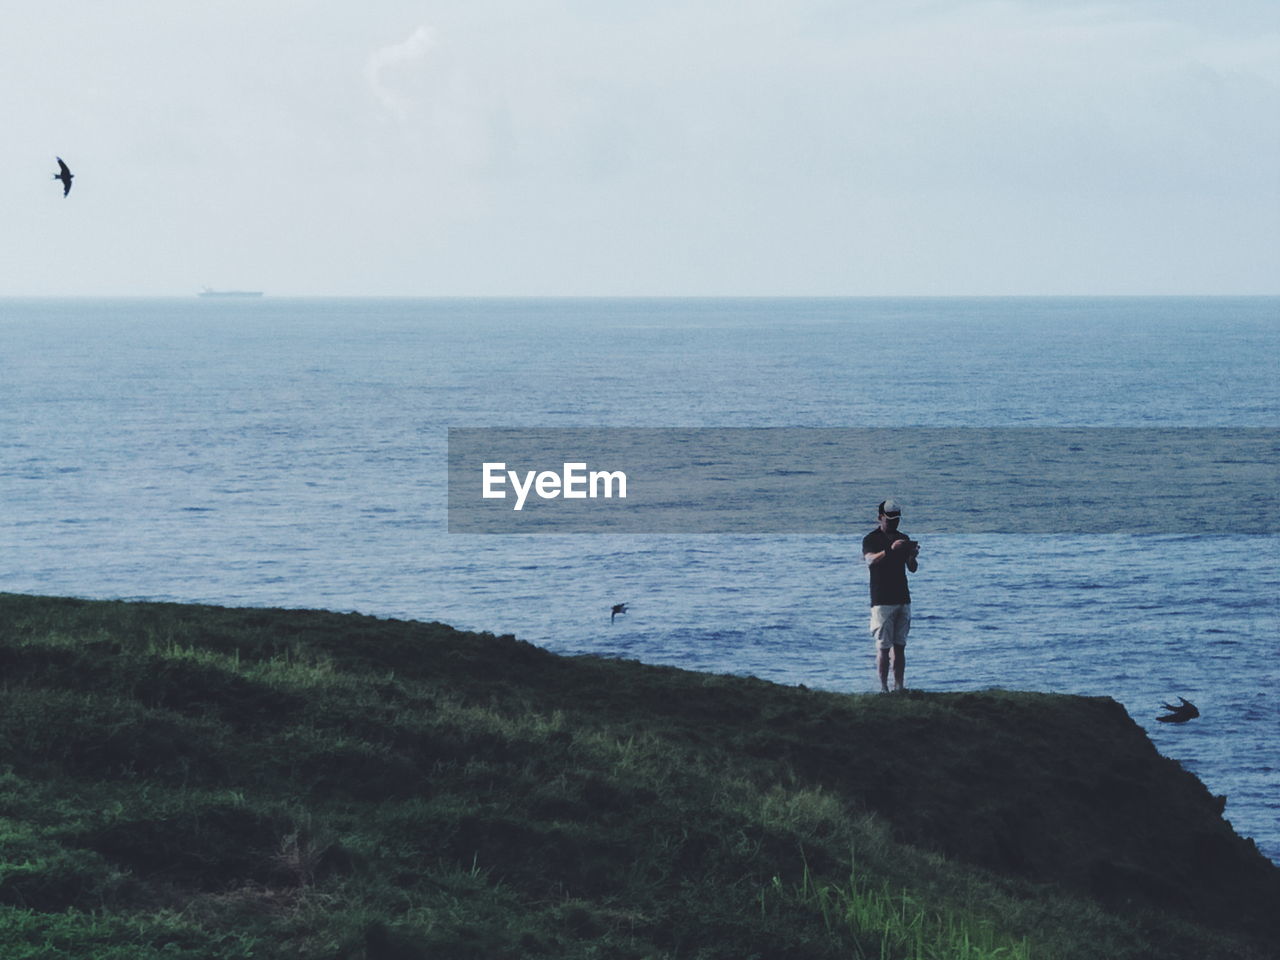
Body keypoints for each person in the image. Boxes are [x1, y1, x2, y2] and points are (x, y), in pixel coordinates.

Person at [862, 499, 920, 693]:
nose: (894, 523)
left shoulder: (903, 538)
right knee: (883, 647)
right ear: (880, 518)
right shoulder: (871, 539)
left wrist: (911, 555)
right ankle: (883, 688)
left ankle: (899, 686)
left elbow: (912, 569)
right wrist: (890, 550)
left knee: (900, 646)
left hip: (903, 597)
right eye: (890, 519)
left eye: (896, 519)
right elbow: (869, 560)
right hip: (882, 599)